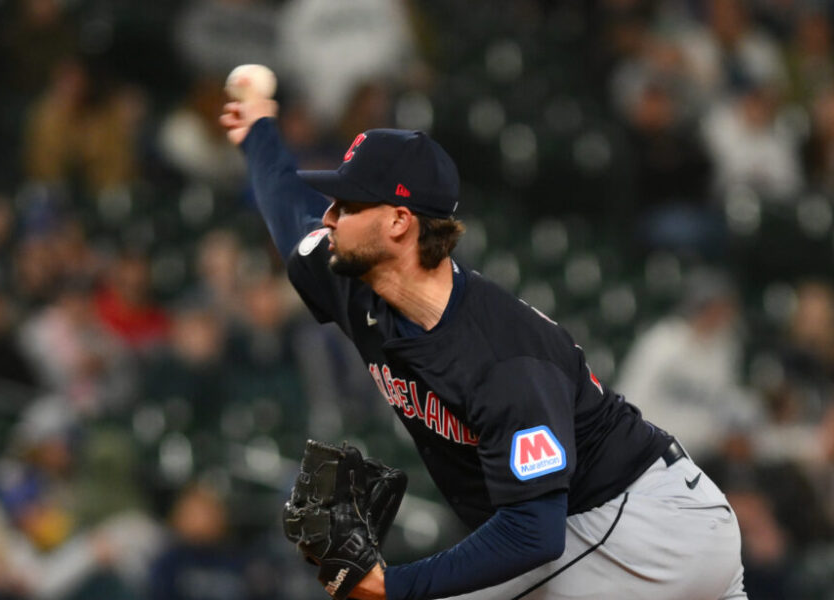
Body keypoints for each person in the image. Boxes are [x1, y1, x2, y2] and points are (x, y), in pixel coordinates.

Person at [220, 94, 747, 599]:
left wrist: (392, 586)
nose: (330, 216)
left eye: (348, 204)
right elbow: (291, 216)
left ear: (399, 222)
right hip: (615, 529)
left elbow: (533, 535)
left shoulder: (501, 358)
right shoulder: (356, 282)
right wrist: (259, 131)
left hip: (643, 529)